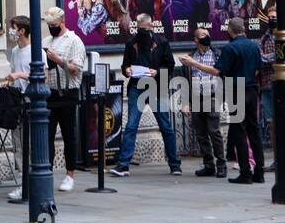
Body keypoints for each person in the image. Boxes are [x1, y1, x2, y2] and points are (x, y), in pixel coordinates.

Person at [182, 17, 264, 184]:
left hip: (237, 90)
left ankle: (246, 173)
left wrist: (193, 63)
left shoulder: (229, 48)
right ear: (243, 29)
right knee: (254, 131)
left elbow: (216, 71)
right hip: (252, 89)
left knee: (240, 133)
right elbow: (258, 70)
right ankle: (259, 172)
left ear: (230, 31)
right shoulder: (254, 46)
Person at [112, 14, 181, 177]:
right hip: (137, 86)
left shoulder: (162, 42)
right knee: (131, 126)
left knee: (165, 126)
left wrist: (157, 72)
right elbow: (124, 65)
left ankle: (174, 164)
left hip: (157, 87)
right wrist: (126, 71)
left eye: (145, 28)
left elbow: (170, 65)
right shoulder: (131, 43)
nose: (142, 31)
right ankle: (123, 165)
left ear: (151, 26)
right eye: (139, 28)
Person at [42, 6, 86, 192]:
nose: (51, 27)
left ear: (62, 22)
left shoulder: (74, 41)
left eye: (54, 24)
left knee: (69, 134)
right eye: (49, 25)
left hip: (68, 92)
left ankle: (70, 174)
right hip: (50, 92)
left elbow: (76, 68)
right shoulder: (46, 40)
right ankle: (47, 172)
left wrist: (58, 60)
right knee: (47, 135)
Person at [182, 27, 226, 178]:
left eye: (207, 35)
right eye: (202, 35)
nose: (206, 37)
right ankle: (209, 165)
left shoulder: (216, 54)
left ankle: (221, 164)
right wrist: (186, 102)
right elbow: (186, 82)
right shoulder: (190, 57)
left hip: (212, 97)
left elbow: (220, 73)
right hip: (196, 99)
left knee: (214, 131)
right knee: (201, 134)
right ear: (195, 40)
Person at [4, 15, 33, 201]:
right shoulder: (15, 51)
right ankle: (23, 182)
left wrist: (19, 75)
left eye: (14, 28)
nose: (11, 31)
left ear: (22, 30)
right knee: (18, 143)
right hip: (16, 100)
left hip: (29, 100)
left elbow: (42, 77)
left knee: (28, 143)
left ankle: (29, 183)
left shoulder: (35, 51)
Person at [256, 3, 278, 150]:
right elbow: (260, 58)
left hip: (280, 84)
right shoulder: (263, 38)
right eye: (269, 17)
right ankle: (277, 155)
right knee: (271, 123)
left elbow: (282, 56)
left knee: (283, 121)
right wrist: (271, 58)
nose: (271, 20)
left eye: (274, 17)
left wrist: (266, 58)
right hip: (266, 84)